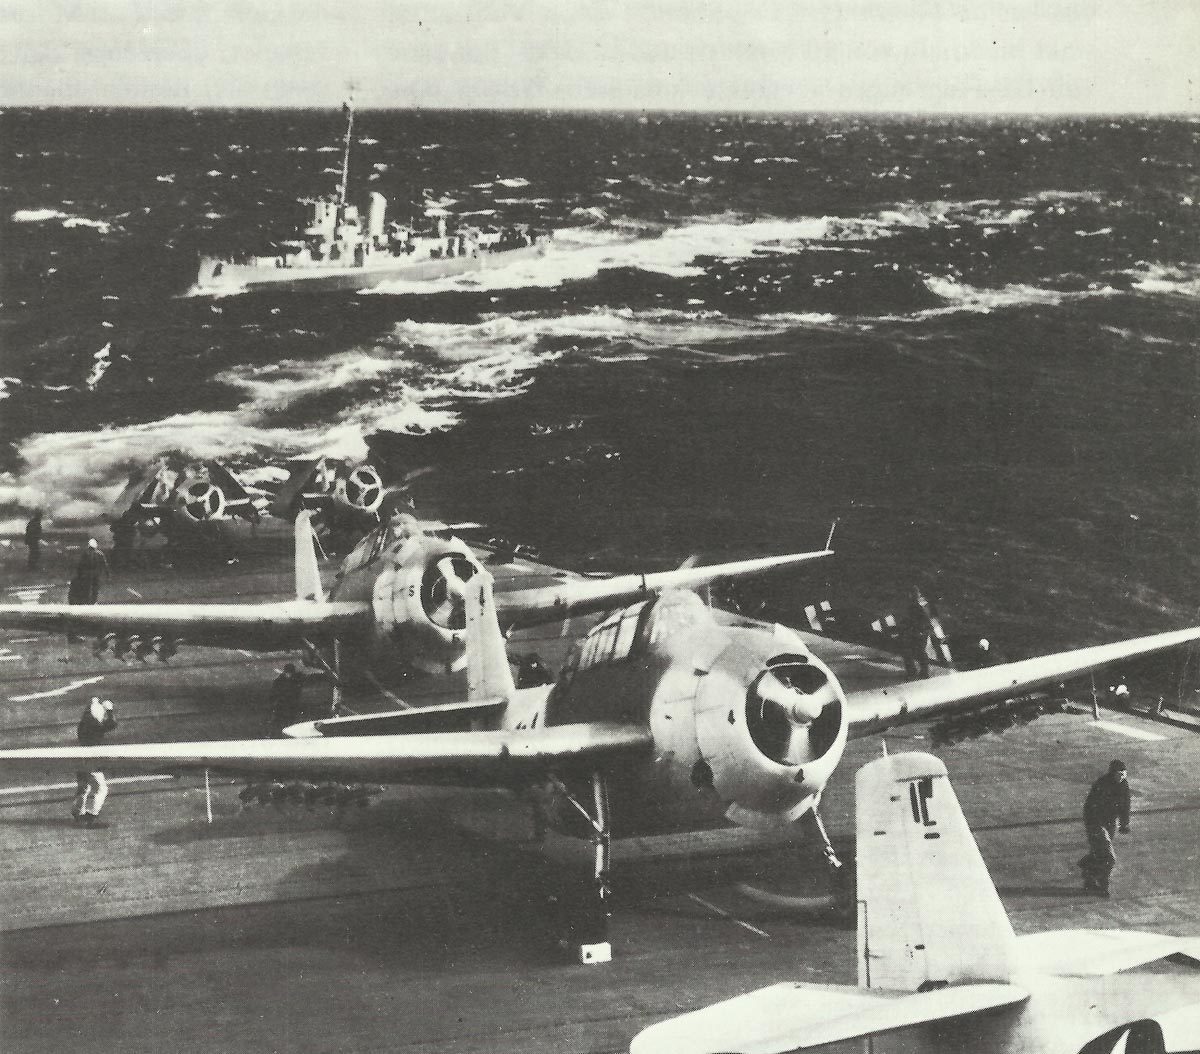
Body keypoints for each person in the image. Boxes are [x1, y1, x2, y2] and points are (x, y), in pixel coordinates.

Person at [1079, 759, 1132, 897]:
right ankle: (1103, 885)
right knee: (1109, 857)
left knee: (1098, 852)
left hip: (1110, 824)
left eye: (1123, 774)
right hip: (1097, 823)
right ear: (1112, 774)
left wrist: (1124, 823)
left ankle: (1089, 874)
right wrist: (1095, 826)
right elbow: (1091, 806)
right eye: (1118, 774)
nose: (1121, 777)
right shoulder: (1102, 785)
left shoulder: (1124, 785)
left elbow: (1125, 805)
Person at [73, 697, 117, 827]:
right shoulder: (96, 728)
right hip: (91, 760)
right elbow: (112, 724)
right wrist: (109, 710)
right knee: (101, 789)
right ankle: (92, 816)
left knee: (84, 787)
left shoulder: (82, 725)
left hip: (80, 758)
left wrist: (94, 704)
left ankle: (78, 812)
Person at [267, 664, 309, 737]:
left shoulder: (296, 679)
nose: (289, 675)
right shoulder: (279, 681)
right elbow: (273, 693)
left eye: (290, 673)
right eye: (288, 673)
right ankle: (273, 734)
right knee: (278, 720)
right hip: (282, 704)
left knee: (290, 719)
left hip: (292, 703)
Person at [70, 538, 109, 605]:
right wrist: (107, 574)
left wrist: (79, 574)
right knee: (95, 587)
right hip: (96, 574)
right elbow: (104, 565)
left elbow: (80, 564)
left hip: (87, 574)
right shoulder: (100, 554)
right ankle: (93, 600)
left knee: (87, 587)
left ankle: (87, 600)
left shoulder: (85, 554)